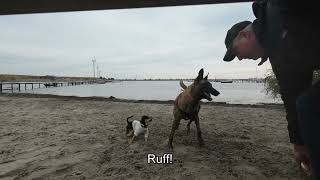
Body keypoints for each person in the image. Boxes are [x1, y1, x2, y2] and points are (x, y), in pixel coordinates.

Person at [222, 0, 319, 179]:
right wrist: (298, 144)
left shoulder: (277, 10)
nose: (240, 59)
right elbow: (291, 97)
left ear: (245, 35)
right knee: (306, 104)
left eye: (236, 52)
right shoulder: (278, 57)